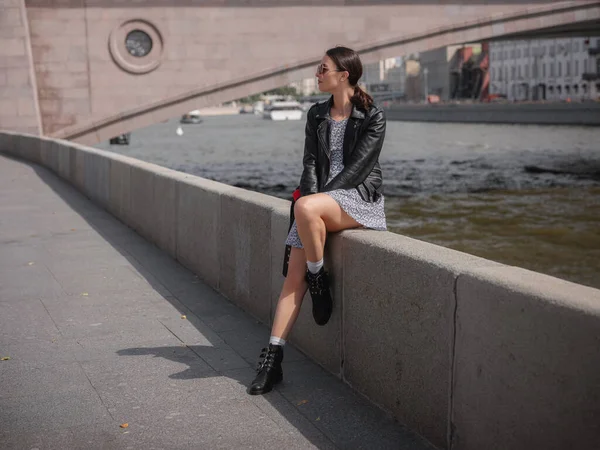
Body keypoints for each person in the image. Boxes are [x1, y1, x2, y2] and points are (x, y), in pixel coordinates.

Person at [247, 46, 387, 395]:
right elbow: (309, 163)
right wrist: (312, 197)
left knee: (305, 210)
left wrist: (315, 201)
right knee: (292, 281)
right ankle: (273, 358)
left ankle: (317, 275)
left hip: (358, 198)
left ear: (344, 75)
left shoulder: (373, 116)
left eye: (323, 69)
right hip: (318, 204)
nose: (317, 73)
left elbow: (358, 170)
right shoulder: (316, 114)